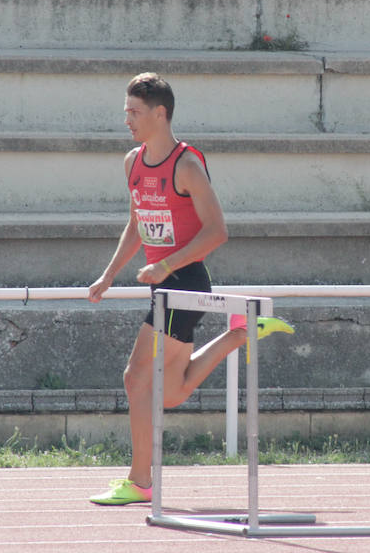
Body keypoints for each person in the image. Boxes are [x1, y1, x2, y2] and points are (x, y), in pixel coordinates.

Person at [86, 72, 293, 505]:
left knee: (136, 377)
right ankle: (240, 333)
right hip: (163, 286)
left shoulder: (187, 166)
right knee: (172, 391)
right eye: (125, 111)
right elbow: (138, 224)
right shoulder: (132, 162)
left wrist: (166, 265)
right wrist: (108, 275)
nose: (127, 119)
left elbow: (218, 231)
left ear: (160, 113)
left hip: (184, 283)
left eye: (134, 112)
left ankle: (141, 481)